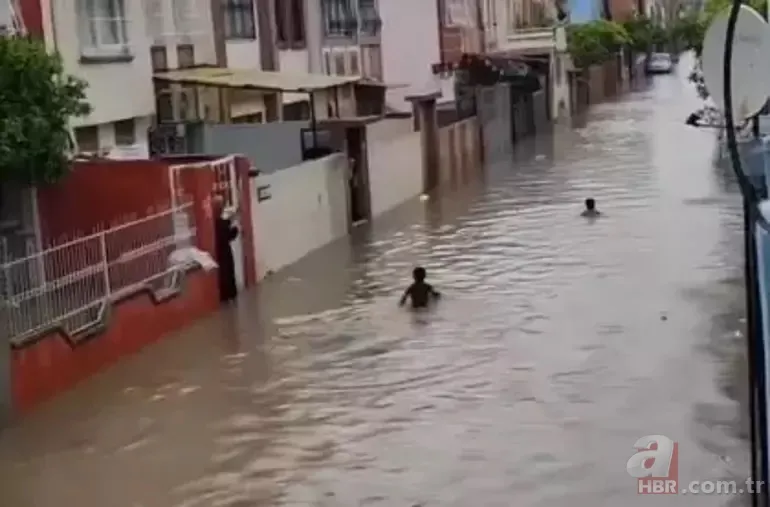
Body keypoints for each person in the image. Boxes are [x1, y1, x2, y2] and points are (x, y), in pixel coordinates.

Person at [213, 197, 239, 303]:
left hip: (220, 252)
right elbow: (228, 235)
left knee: (225, 273)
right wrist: (235, 228)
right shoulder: (220, 223)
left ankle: (227, 295)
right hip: (223, 252)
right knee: (227, 273)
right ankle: (229, 295)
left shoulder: (217, 222)